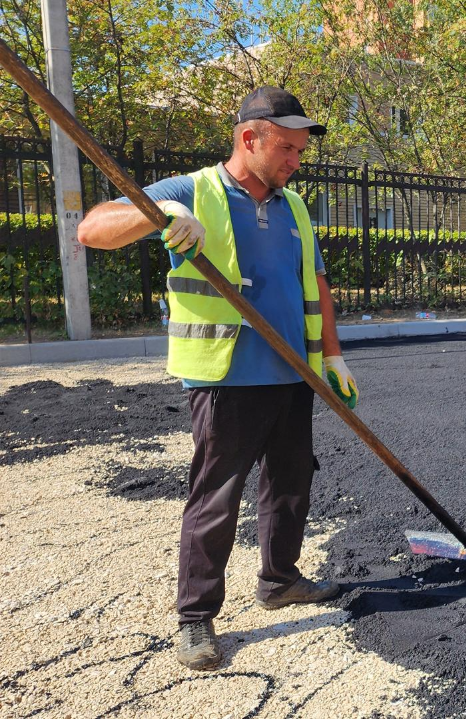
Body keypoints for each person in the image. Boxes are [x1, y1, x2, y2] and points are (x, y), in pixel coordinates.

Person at [78, 86, 359, 671]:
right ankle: (195, 617)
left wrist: (332, 357)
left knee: (290, 484)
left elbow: (319, 284)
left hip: (292, 373)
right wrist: (158, 216)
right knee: (216, 496)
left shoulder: (296, 207)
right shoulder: (192, 191)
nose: (294, 161)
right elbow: (93, 229)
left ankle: (279, 580)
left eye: (300, 151)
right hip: (226, 378)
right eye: (286, 148)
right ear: (248, 138)